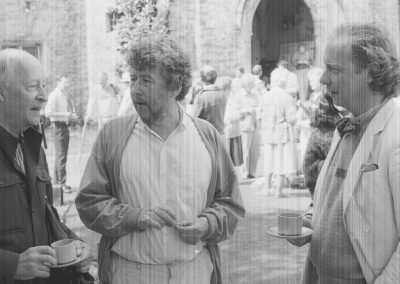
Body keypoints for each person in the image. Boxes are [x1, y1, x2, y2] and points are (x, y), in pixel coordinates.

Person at [75, 35, 245, 284]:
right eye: (133, 79)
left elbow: (230, 204)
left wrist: (207, 224)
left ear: (174, 88)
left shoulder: (206, 136)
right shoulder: (113, 135)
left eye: (146, 80)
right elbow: (89, 202)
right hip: (129, 274)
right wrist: (133, 217)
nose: (135, 89)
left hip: (194, 272)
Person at [290, 23, 400, 284]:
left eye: (334, 69)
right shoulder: (346, 124)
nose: (323, 79)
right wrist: (310, 221)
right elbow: (335, 194)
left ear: (371, 72)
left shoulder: (395, 137)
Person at [0, 49, 91, 283]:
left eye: (43, 86)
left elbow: (44, 214)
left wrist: (73, 245)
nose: (43, 96)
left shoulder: (33, 145)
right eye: (33, 87)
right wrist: (11, 266)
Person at [259, 66, 297, 197]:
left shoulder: (265, 96)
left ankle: (266, 188)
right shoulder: (286, 97)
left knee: (268, 160)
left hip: (267, 132)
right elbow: (292, 119)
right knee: (280, 161)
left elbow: (259, 115)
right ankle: (278, 191)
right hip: (281, 133)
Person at [44, 76, 75, 194]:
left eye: (68, 82)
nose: (67, 85)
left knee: (61, 155)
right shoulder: (54, 95)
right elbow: (47, 113)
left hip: (64, 126)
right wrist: (64, 114)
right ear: (58, 82)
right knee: (61, 155)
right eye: (64, 82)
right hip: (58, 126)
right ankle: (62, 183)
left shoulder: (64, 95)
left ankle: (57, 182)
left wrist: (70, 115)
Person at [237, 73, 261, 179]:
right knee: (245, 150)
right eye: (251, 84)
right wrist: (247, 110)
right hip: (245, 125)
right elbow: (235, 111)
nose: (252, 86)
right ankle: (244, 172)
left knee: (255, 150)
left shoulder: (255, 95)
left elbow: (259, 107)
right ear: (245, 84)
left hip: (255, 125)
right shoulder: (238, 96)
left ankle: (252, 172)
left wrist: (257, 110)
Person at [193, 65, 227, 134]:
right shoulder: (223, 93)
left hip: (206, 135)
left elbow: (193, 119)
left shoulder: (201, 96)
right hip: (220, 133)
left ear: (202, 79)